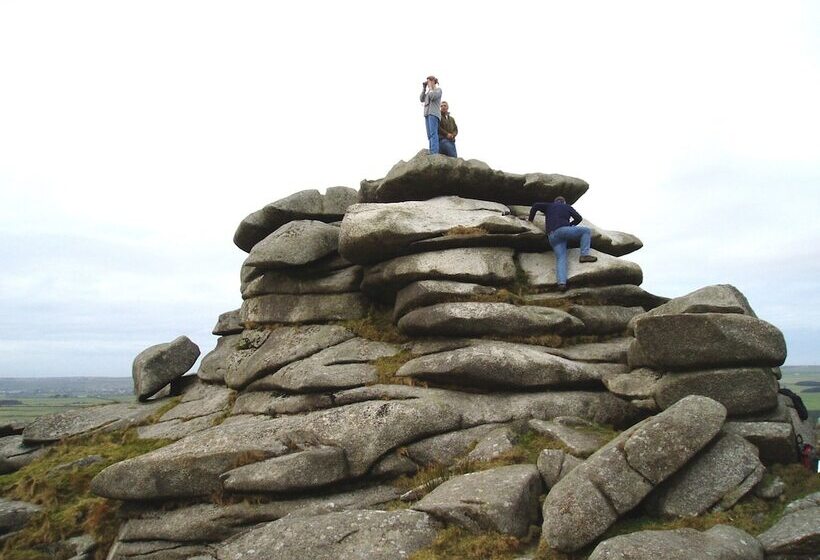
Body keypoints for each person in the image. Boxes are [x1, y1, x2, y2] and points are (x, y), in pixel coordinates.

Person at [528, 196, 597, 291]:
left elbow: (535, 205)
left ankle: (561, 284)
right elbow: (578, 218)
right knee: (586, 231)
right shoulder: (567, 207)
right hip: (562, 230)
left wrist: (530, 220)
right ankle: (584, 255)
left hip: (551, 236)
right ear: (563, 202)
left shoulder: (549, 206)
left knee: (561, 258)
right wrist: (570, 225)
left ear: (555, 201)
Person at [419, 75, 442, 154]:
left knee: (433, 133)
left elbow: (433, 97)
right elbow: (421, 99)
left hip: (434, 114)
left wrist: (431, 87)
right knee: (429, 135)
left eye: (429, 81)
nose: (428, 83)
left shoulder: (438, 90)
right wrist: (424, 88)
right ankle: (432, 150)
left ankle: (434, 152)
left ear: (433, 81)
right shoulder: (429, 92)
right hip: (427, 114)